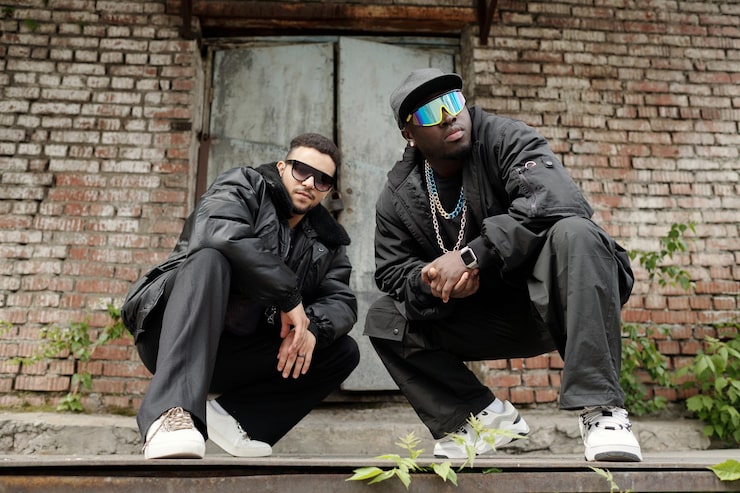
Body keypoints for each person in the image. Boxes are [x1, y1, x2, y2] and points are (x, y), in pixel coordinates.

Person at [365, 68, 642, 462]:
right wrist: (432, 280)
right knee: (384, 317)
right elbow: (392, 271)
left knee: (576, 232)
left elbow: (559, 202)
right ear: (409, 132)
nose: (448, 116)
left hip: (556, 299)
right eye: (430, 113)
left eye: (453, 102)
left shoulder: (505, 138)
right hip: (485, 317)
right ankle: (479, 418)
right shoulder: (399, 194)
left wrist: (471, 256)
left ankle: (603, 411)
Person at [121, 133, 360, 459]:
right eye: (301, 170)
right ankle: (169, 414)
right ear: (282, 167)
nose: (309, 183)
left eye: (322, 180)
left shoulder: (328, 241)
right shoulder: (244, 185)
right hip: (171, 334)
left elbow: (341, 301)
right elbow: (218, 231)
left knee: (342, 351)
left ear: (328, 190)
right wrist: (289, 296)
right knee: (210, 258)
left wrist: (312, 329)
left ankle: (237, 421)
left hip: (235, 353)